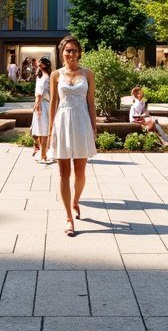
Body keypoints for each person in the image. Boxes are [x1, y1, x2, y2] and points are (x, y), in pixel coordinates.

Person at [49, 36, 97, 237]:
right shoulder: (55, 75)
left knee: (80, 173)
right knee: (63, 173)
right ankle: (69, 217)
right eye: (67, 50)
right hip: (61, 122)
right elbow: (53, 102)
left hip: (82, 122)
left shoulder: (88, 74)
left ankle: (75, 200)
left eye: (74, 50)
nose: (71, 54)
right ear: (62, 53)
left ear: (79, 53)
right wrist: (51, 129)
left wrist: (94, 128)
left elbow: (91, 102)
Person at [31, 57, 53, 163]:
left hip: (42, 105)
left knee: (42, 130)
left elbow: (39, 94)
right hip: (44, 104)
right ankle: (43, 154)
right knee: (42, 130)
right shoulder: (48, 77)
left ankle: (43, 155)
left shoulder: (43, 78)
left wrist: (37, 104)